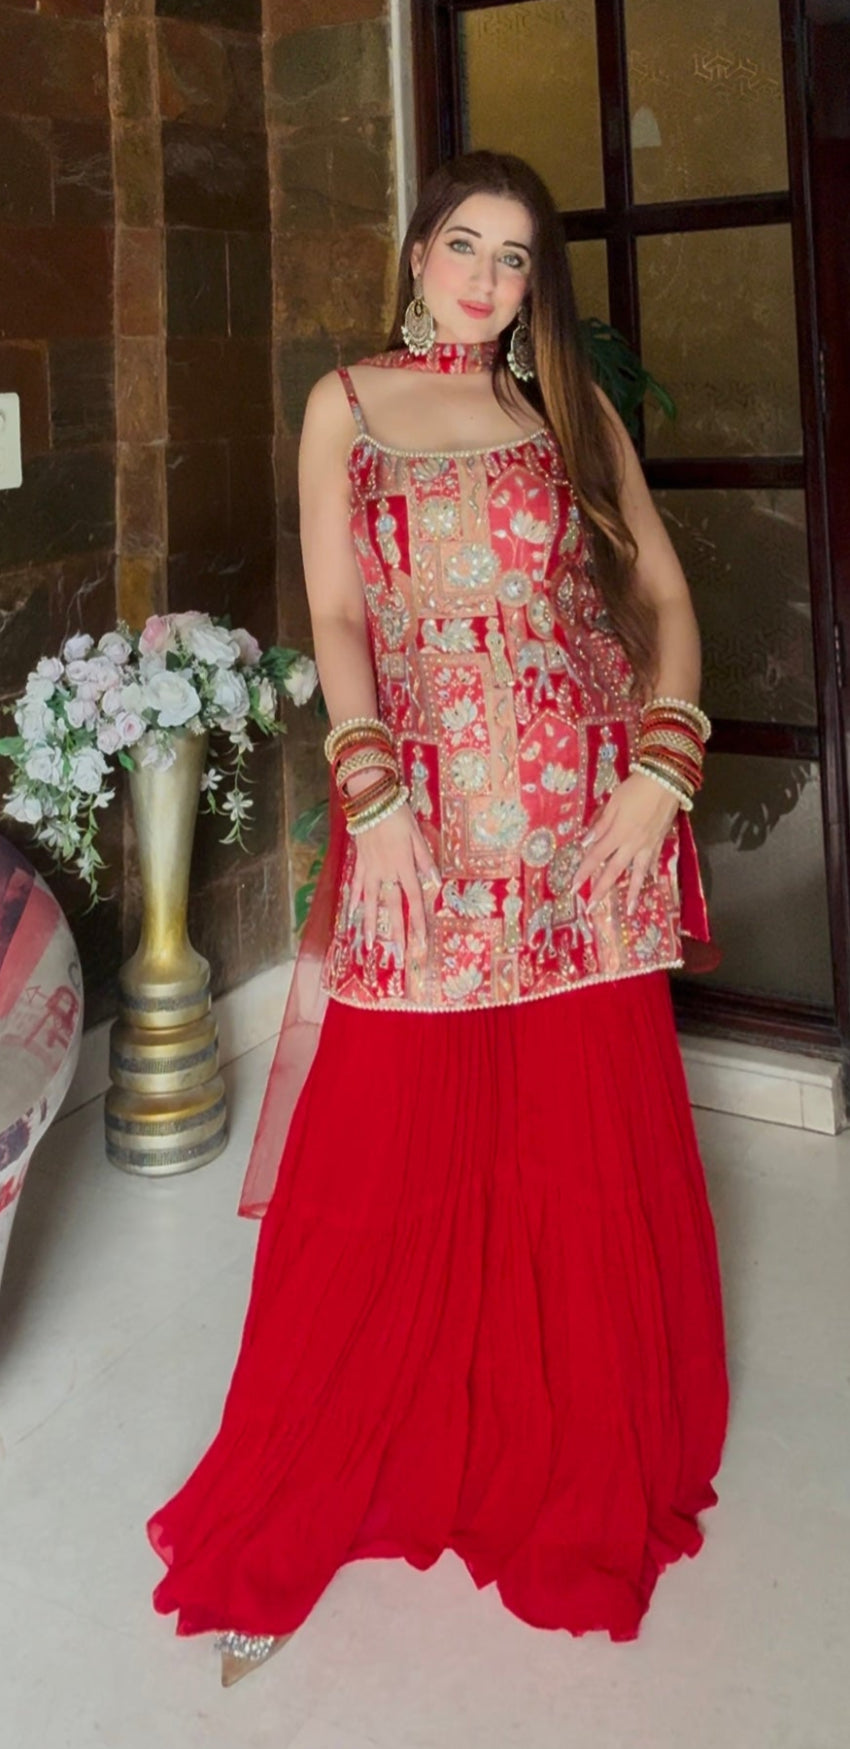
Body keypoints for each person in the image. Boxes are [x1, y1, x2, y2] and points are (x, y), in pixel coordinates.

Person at [147, 150, 729, 1680]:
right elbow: (337, 611)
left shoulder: (561, 411)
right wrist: (372, 787)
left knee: (572, 1131)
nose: (484, 278)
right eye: (462, 245)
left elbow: (661, 597)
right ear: (413, 255)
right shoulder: (346, 399)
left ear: (539, 282)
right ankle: (319, 1471)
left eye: (516, 257)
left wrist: (661, 770)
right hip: (421, 824)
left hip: (581, 822)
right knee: (384, 1130)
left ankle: (565, 1440)